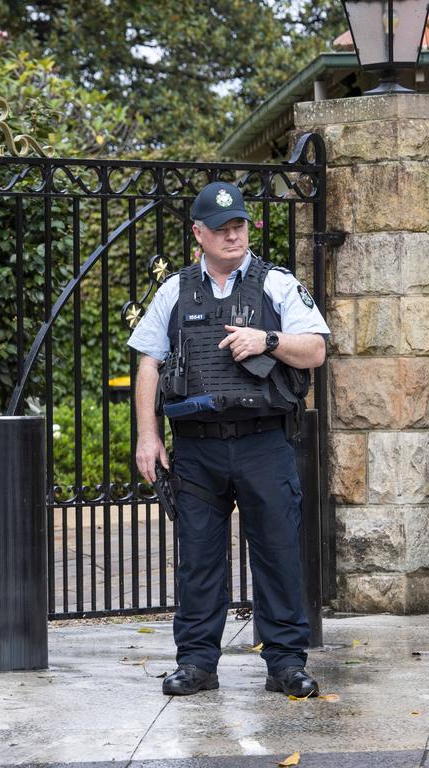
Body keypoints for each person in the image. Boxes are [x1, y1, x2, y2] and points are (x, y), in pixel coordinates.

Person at [127, 181, 330, 697]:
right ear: (199, 234)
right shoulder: (174, 290)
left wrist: (269, 340)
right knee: (197, 559)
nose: (233, 234)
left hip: (264, 442)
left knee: (279, 555)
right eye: (221, 229)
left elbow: (316, 351)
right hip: (197, 448)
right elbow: (148, 361)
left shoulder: (277, 284)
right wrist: (148, 436)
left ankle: (286, 664)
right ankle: (197, 664)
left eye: (238, 225)